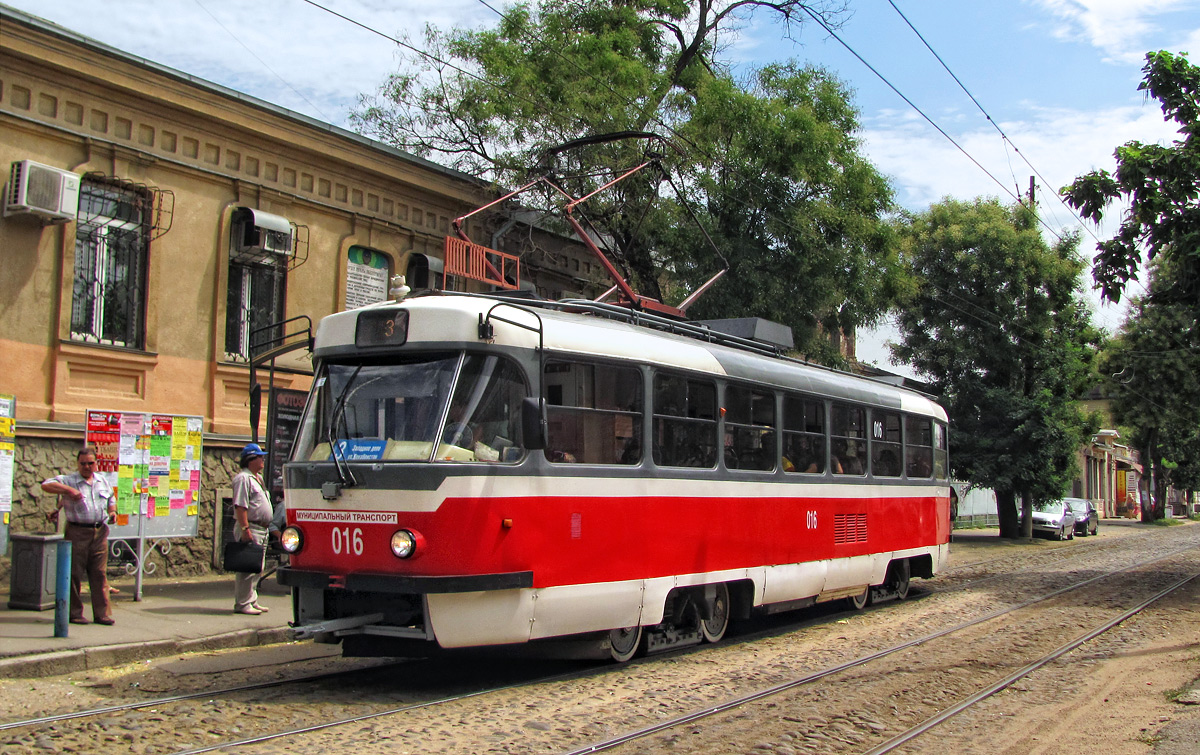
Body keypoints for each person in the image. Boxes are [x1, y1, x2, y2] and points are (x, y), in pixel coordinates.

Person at [41, 447, 117, 625]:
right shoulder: (70, 480)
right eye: (83, 463)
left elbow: (111, 500)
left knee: (99, 573)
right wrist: (68, 491)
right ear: (78, 463)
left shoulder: (102, 481)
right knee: (74, 573)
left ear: (96, 463)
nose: (87, 467)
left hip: (99, 531)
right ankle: (74, 613)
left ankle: (102, 613)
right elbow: (46, 485)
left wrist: (112, 513)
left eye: (90, 463)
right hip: (77, 531)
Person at [231, 443, 273, 615]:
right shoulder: (243, 479)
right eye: (259, 456)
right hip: (251, 527)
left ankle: (252, 599)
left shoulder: (257, 478)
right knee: (247, 568)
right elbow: (240, 506)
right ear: (250, 460)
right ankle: (242, 603)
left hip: (262, 529)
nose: (263, 459)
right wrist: (244, 529)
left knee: (257, 567)